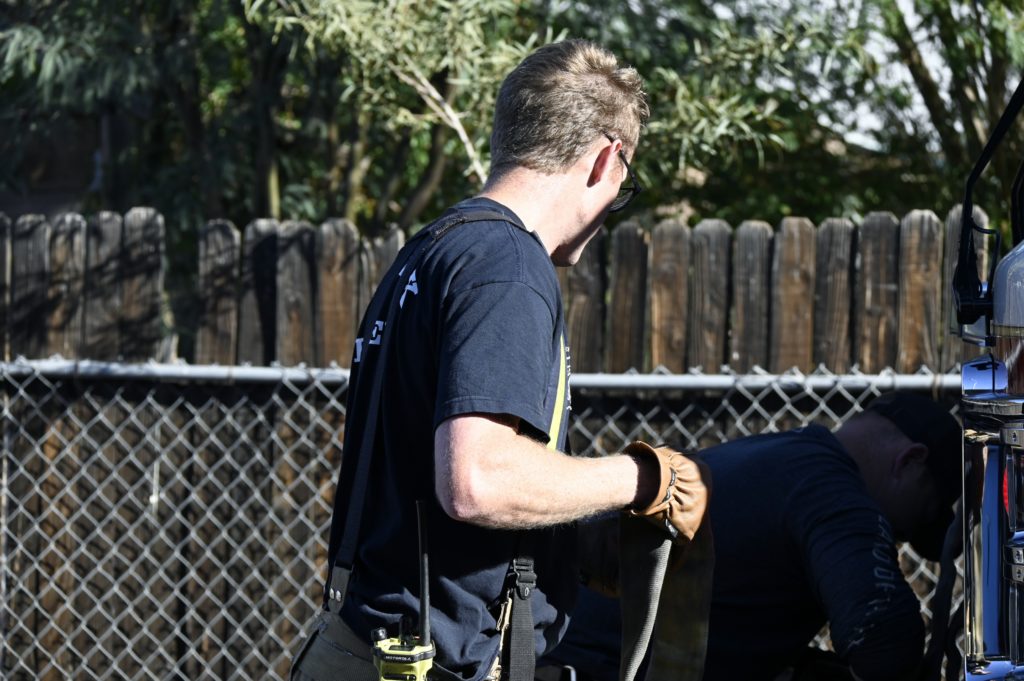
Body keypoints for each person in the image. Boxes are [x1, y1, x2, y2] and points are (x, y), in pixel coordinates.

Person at [289, 39, 709, 681]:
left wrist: (567, 537)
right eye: (623, 190)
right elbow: (477, 481)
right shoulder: (508, 267)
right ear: (607, 160)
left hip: (359, 648)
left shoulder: (434, 249)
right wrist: (641, 480)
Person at [547, 391, 961, 681]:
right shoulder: (834, 491)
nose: (901, 537)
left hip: (564, 645)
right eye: (921, 514)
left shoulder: (789, 454)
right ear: (910, 461)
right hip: (594, 668)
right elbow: (884, 646)